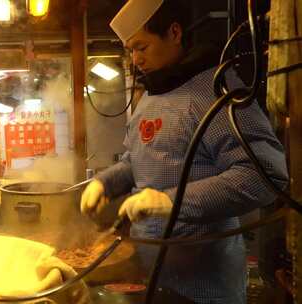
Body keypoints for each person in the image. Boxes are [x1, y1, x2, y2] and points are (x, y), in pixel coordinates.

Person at [80, 0, 288, 303]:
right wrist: (106, 183)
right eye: (130, 50)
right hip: (151, 274)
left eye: (142, 47)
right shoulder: (152, 95)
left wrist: (170, 201)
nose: (135, 60)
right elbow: (136, 160)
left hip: (205, 286)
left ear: (174, 32)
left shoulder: (216, 92)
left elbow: (265, 176)